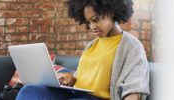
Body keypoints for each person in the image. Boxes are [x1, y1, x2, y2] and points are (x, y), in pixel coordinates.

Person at [16, 0, 150, 100]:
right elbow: (83, 76)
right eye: (88, 22)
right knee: (29, 91)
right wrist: (70, 78)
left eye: (95, 20)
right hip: (74, 93)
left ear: (112, 12)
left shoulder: (132, 46)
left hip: (95, 98)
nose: (92, 27)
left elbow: (134, 89)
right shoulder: (92, 44)